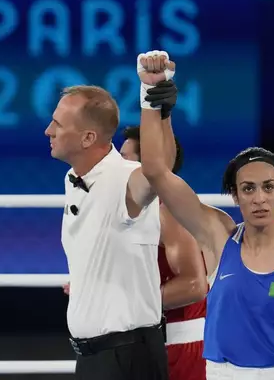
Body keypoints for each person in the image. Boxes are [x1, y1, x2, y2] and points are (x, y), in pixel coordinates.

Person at [137, 94, 274, 378]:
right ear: (235, 195)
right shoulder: (217, 236)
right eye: (249, 189)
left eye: (268, 187)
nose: (260, 199)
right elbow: (156, 172)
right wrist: (155, 106)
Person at [45, 50, 179, 380]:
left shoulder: (125, 179)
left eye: (58, 125)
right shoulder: (74, 179)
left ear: (88, 138)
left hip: (127, 358)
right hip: (95, 358)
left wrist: (151, 99)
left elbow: (158, 170)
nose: (48, 130)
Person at [120, 125, 208, 380]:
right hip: (147, 339)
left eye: (124, 158)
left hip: (180, 347)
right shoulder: (135, 212)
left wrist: (122, 305)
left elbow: (194, 285)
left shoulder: (167, 210)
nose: (115, 165)